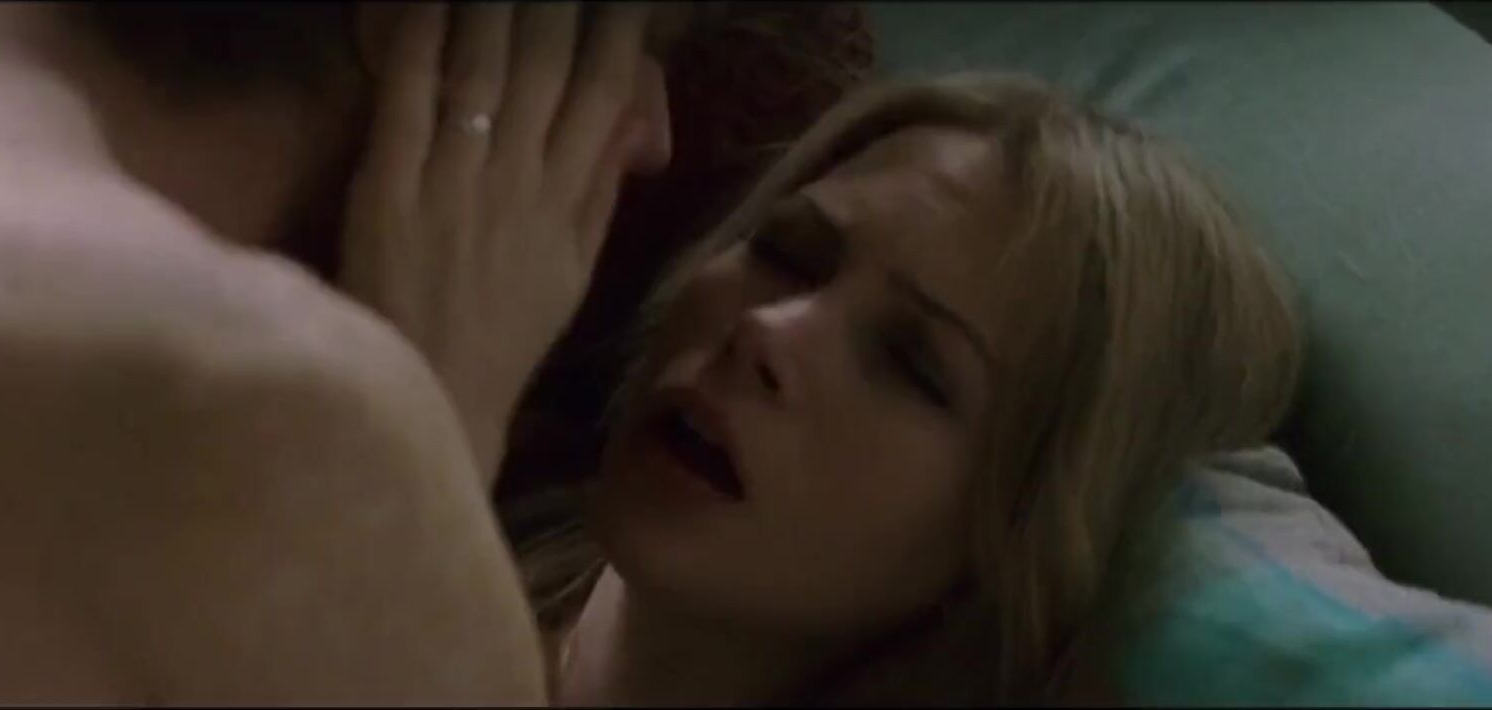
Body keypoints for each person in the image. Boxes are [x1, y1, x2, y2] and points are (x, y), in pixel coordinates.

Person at [0, 2, 702, 704]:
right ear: (426, 30)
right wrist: (437, 423)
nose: (655, 133)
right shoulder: (271, 415)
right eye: (629, 43)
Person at [489, 77, 1306, 703]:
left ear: (1015, 543)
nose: (769, 330)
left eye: (913, 365)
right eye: (788, 253)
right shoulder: (513, 473)